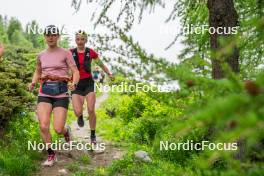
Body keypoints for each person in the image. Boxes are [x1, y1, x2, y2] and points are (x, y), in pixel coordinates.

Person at [28, 25, 80, 167]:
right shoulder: (41, 55)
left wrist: (73, 84)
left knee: (58, 129)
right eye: (48, 35)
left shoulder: (65, 53)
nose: (50, 37)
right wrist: (33, 83)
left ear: (58, 36)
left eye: (53, 35)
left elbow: (75, 71)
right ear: (44, 37)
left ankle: (66, 131)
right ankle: (51, 154)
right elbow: (38, 72)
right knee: (43, 126)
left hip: (61, 93)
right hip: (44, 92)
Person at [70, 30, 114, 144]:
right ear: (75, 40)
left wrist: (109, 73)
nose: (80, 41)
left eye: (82, 39)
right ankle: (79, 117)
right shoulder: (70, 52)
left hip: (89, 83)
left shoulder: (91, 52)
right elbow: (63, 66)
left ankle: (93, 135)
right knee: (77, 111)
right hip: (76, 84)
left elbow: (101, 64)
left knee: (90, 109)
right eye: (78, 39)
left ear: (86, 40)